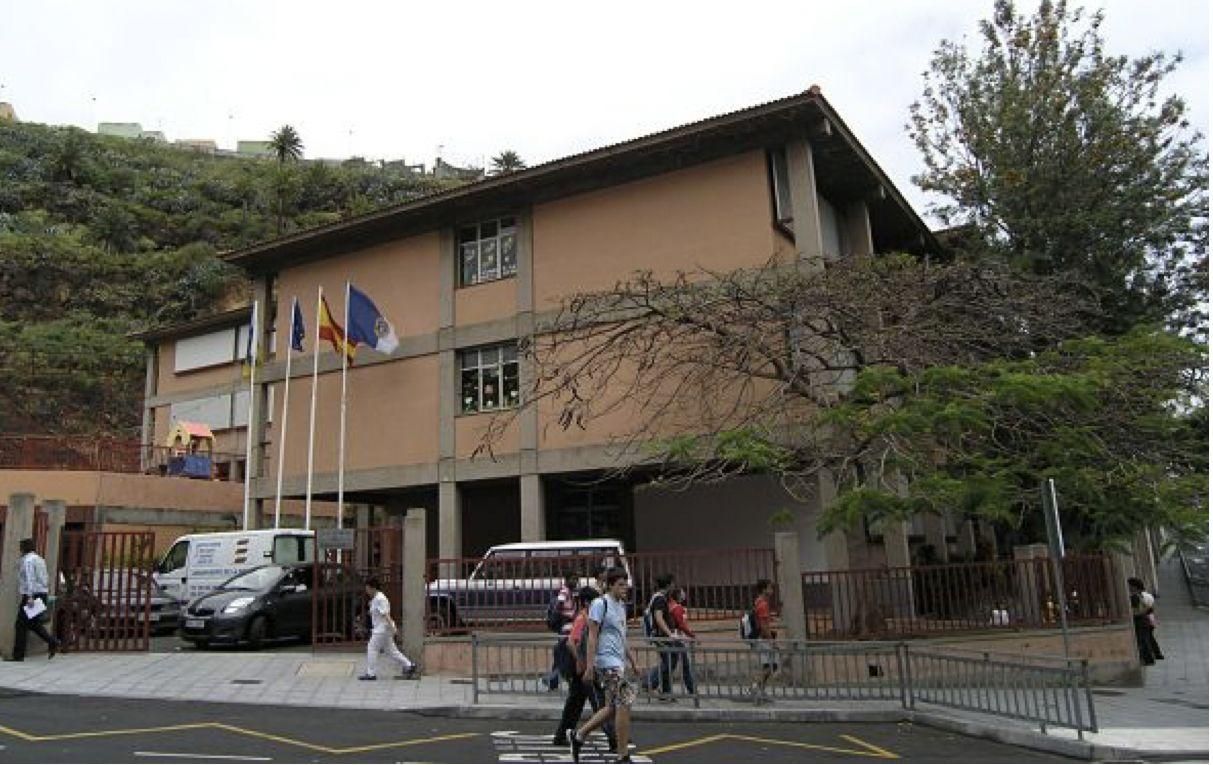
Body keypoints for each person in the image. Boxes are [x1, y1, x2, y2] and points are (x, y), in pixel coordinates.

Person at [571, 567, 639, 763]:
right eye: (620, 585)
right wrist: (590, 666)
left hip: (618, 662)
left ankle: (579, 736)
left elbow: (621, 637)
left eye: (625, 585)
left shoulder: (621, 606)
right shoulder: (600, 604)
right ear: (610, 585)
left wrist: (633, 661)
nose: (624, 588)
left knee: (612, 707)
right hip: (605, 662)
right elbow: (592, 636)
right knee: (625, 701)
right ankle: (623, 754)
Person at [553, 586, 616, 750]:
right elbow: (570, 643)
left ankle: (561, 735)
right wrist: (582, 662)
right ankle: (613, 738)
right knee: (600, 704)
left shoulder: (590, 617)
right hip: (583, 670)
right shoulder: (583, 619)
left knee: (575, 704)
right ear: (587, 602)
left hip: (584, 669)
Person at [358, 576, 418, 681]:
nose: (366, 591)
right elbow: (377, 613)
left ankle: (371, 673)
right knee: (391, 651)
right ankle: (409, 665)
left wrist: (393, 627)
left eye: (367, 588)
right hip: (383, 629)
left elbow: (386, 615)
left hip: (381, 630)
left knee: (372, 648)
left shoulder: (380, 598)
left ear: (373, 588)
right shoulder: (376, 598)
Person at [12, 538, 59, 661]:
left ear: (23, 548)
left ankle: (18, 655)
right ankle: (52, 641)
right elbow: (45, 578)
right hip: (42, 595)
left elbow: (30, 579)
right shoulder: (40, 559)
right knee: (32, 623)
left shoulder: (28, 561)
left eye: (20, 547)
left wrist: (30, 596)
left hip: (32, 595)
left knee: (20, 624)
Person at [641, 573, 678, 701]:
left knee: (669, 661)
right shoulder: (660, 599)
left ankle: (666, 692)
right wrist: (670, 634)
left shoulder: (660, 597)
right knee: (669, 662)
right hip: (661, 637)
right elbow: (658, 617)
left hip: (662, 636)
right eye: (673, 583)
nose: (674, 586)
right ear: (668, 585)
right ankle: (648, 683)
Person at [545, 571, 580, 690]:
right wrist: (567, 615)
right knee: (565, 657)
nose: (575, 582)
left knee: (562, 655)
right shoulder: (565, 592)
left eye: (576, 579)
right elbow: (559, 605)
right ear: (567, 579)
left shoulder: (570, 592)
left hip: (569, 629)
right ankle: (553, 680)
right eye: (573, 579)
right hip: (566, 630)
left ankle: (553, 681)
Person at [749, 578, 778, 702]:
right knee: (772, 665)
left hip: (761, 639)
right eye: (770, 587)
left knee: (769, 664)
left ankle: (760, 689)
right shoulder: (763, 604)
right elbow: (763, 626)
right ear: (764, 589)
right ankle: (756, 686)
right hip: (763, 640)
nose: (772, 590)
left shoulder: (758, 602)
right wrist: (772, 641)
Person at [1128, 577, 1164, 665]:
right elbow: (1149, 608)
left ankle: (1149, 659)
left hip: (1141, 620)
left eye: (1129, 585)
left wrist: (1131, 614)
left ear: (1134, 587)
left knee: (1144, 640)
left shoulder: (1135, 597)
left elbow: (1137, 610)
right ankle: (1155, 655)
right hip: (1147, 618)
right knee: (1148, 638)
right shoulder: (1142, 595)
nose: (1128, 587)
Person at [668, 587, 697, 695]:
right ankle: (691, 689)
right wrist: (692, 635)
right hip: (678, 638)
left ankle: (651, 682)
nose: (684, 596)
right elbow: (681, 625)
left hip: (673, 638)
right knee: (685, 665)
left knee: (671, 664)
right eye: (682, 594)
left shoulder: (671, 607)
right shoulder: (678, 608)